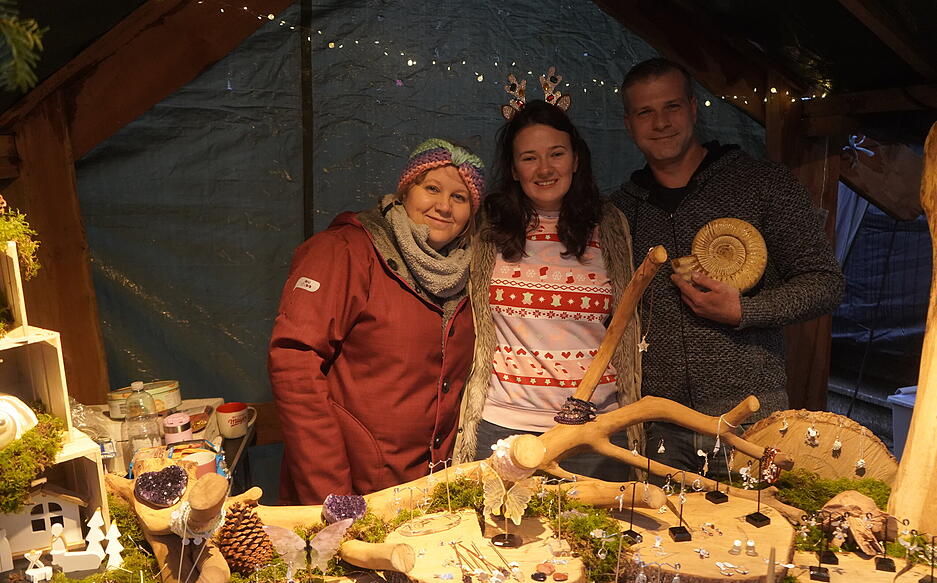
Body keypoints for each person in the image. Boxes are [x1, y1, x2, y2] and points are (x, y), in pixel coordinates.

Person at [609, 57, 844, 477]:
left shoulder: (761, 183)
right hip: (658, 425)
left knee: (760, 534)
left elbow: (825, 283)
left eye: (672, 107)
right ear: (628, 124)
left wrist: (745, 311)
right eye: (645, 112)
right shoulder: (621, 210)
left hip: (751, 419)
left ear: (694, 110)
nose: (660, 122)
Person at [269, 139, 485, 504]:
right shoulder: (345, 251)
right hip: (352, 490)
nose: (444, 206)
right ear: (405, 191)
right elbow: (294, 363)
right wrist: (333, 495)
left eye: (459, 197)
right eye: (431, 188)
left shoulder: (470, 274)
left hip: (425, 496)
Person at [453, 99, 642, 481]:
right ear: (512, 168)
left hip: (593, 428)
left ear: (575, 159)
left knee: (601, 538)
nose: (544, 169)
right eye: (529, 157)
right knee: (499, 536)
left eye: (556, 154)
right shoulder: (487, 225)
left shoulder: (608, 224)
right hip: (505, 424)